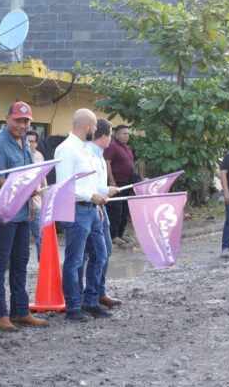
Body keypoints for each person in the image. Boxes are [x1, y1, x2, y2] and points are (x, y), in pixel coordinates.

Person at [0, 102, 47, 331]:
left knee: (21, 262)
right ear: (7, 118)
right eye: (18, 120)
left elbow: (29, 176)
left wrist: (30, 199)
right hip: (4, 213)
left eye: (26, 121)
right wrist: (23, 190)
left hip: (22, 211)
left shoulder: (25, 145)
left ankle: (20, 310)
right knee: (0, 262)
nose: (22, 125)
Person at [55, 109, 110, 322]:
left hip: (92, 209)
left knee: (100, 254)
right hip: (77, 209)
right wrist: (91, 196)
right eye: (95, 126)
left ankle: (91, 301)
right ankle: (73, 306)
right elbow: (64, 185)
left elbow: (90, 182)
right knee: (75, 260)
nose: (96, 130)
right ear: (87, 126)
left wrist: (100, 195)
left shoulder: (85, 149)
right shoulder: (67, 149)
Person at [86, 119, 121, 308]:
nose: (111, 138)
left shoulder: (99, 153)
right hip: (90, 207)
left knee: (105, 250)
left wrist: (107, 190)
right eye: (111, 134)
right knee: (91, 254)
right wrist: (99, 199)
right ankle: (87, 295)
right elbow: (88, 186)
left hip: (100, 205)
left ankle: (99, 292)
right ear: (104, 136)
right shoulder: (88, 153)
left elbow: (96, 185)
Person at [104, 125, 134, 245]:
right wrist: (111, 180)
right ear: (116, 135)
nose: (126, 136)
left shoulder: (126, 148)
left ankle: (120, 233)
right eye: (124, 134)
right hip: (116, 183)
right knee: (115, 209)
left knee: (124, 210)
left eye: (128, 134)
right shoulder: (112, 146)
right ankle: (113, 235)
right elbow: (107, 162)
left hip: (127, 183)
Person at [26, 129, 46, 261]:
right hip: (22, 202)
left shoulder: (39, 156)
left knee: (39, 234)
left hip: (37, 201)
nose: (30, 144)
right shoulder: (20, 155)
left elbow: (43, 178)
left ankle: (43, 260)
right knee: (21, 236)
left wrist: (45, 198)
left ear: (36, 143)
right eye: (27, 141)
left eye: (32, 142)